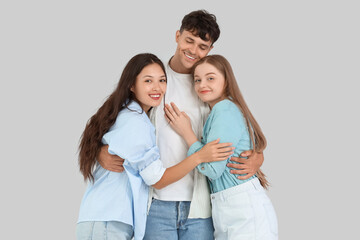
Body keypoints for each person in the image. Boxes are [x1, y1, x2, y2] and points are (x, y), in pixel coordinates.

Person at [98, 10, 265, 239]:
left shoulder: (210, 83)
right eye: (189, 40)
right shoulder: (154, 78)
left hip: (201, 207)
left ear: (210, 50)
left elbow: (238, 130)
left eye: (202, 46)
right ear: (177, 35)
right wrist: (98, 151)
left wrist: (258, 156)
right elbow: (111, 121)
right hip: (155, 204)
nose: (194, 51)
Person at [76, 53, 234, 240]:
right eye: (148, 81)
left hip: (113, 218)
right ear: (132, 85)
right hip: (107, 219)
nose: (157, 88)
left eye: (162, 80)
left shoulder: (132, 114)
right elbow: (157, 179)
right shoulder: (135, 121)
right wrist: (199, 156)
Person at [164, 54, 278, 239]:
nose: (202, 85)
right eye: (197, 80)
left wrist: (187, 133)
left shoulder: (224, 109)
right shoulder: (220, 111)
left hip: (242, 209)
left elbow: (212, 169)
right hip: (228, 207)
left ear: (226, 80)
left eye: (210, 78)